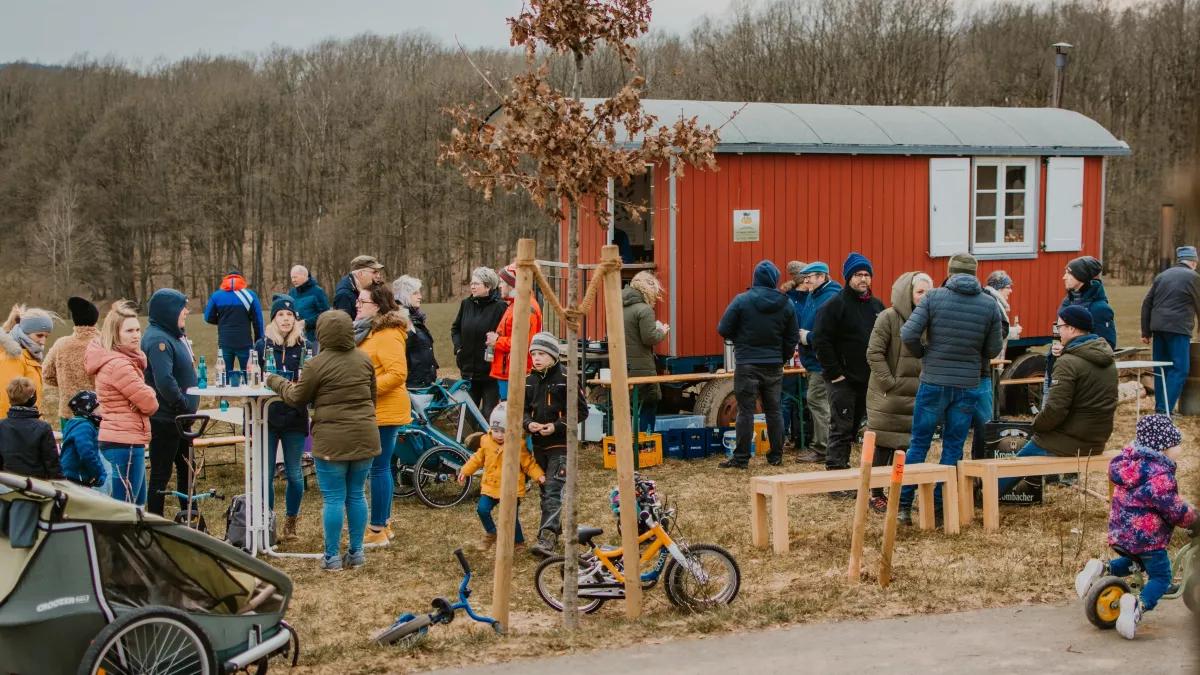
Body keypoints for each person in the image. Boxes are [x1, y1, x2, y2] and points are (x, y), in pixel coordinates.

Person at [267, 311, 380, 572]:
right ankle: (356, 552)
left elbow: (296, 397)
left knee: (333, 498)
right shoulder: (364, 360)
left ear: (322, 334)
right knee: (356, 494)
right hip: (365, 435)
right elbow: (372, 398)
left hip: (331, 441)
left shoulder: (316, 364)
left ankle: (331, 557)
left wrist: (275, 381)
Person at [899, 252, 1003, 525]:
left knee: (919, 444)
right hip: (967, 384)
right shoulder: (989, 304)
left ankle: (903, 507)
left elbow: (908, 333)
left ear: (950, 271)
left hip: (933, 381)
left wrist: (924, 353)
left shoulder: (934, 297)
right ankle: (939, 508)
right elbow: (993, 348)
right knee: (953, 447)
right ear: (975, 273)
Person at [1074, 415, 1198, 640]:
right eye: (1176, 444)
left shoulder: (1130, 465)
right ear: (1163, 447)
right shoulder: (1159, 476)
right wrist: (1193, 519)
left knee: (1135, 561)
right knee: (1161, 576)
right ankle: (1136, 606)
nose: (1179, 449)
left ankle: (1101, 568)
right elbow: (1173, 509)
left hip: (1121, 533)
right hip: (1147, 539)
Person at [997, 305, 1118, 496]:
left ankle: (986, 494)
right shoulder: (1108, 360)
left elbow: (1055, 410)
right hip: (1097, 439)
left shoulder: (1069, 362)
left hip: (1071, 440)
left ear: (1072, 329)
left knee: (1011, 465)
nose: (1057, 330)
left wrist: (1035, 425)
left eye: (1059, 326)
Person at [716, 261, 799, 469]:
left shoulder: (742, 301)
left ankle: (741, 458)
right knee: (774, 410)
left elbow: (723, 328)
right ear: (775, 279)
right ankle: (776, 456)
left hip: (747, 363)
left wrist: (741, 341)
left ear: (755, 278)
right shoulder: (786, 303)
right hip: (773, 364)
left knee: (745, 411)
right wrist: (782, 357)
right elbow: (792, 337)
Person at [813, 253, 885, 481]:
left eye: (866, 274)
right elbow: (821, 340)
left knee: (854, 428)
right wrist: (835, 374)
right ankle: (836, 476)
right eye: (858, 274)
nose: (863, 279)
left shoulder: (877, 306)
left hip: (867, 379)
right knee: (840, 428)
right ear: (848, 277)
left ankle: (847, 472)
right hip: (842, 380)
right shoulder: (835, 305)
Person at [865, 272, 931, 512]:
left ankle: (899, 492)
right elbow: (874, 353)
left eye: (928, 292)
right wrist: (889, 383)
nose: (924, 296)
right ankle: (875, 493)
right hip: (888, 396)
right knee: (883, 444)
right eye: (920, 292)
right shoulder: (888, 318)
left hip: (917, 396)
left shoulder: (930, 321)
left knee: (905, 448)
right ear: (908, 293)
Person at [354, 282, 412, 547]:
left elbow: (397, 374)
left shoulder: (387, 333)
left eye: (362, 301)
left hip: (384, 410)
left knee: (377, 469)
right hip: (374, 409)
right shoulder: (370, 331)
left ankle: (377, 529)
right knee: (381, 468)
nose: (357, 304)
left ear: (376, 306)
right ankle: (384, 523)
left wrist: (366, 390)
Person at [86, 300, 159, 505]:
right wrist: (145, 396)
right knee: (125, 508)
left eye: (137, 329)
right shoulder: (118, 364)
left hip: (127, 439)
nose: (136, 335)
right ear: (115, 334)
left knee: (136, 506)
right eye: (129, 331)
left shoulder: (122, 361)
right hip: (123, 442)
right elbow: (150, 403)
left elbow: (143, 400)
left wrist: (140, 399)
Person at [523, 331, 588, 557]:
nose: (537, 358)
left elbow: (581, 411)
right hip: (538, 445)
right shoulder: (529, 381)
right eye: (533, 354)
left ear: (553, 355)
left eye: (541, 353)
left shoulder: (566, 378)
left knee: (552, 490)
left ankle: (546, 538)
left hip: (561, 445)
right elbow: (521, 410)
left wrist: (557, 425)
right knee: (545, 491)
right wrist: (528, 423)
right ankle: (555, 527)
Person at [255, 295, 310, 541]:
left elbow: (308, 384)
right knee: (266, 473)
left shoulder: (306, 347)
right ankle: (268, 521)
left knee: (295, 474)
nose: (286, 319)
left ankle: (291, 522)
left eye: (290, 315)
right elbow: (254, 377)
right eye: (281, 315)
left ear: (296, 319)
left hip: (295, 419)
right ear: (273, 319)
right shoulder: (262, 346)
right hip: (267, 416)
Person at [142, 288, 200, 516]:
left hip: (180, 419)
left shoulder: (171, 335)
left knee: (187, 470)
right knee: (161, 473)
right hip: (166, 418)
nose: (186, 312)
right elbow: (164, 381)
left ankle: (190, 515)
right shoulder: (158, 340)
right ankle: (155, 520)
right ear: (168, 311)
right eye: (181, 308)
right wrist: (183, 405)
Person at [458, 402, 545, 551]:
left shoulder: (518, 445)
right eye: (496, 430)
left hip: (510, 488)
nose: (499, 434)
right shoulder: (486, 441)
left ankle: (518, 542)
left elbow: (528, 464)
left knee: (511, 518)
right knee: (482, 509)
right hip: (491, 485)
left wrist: (539, 476)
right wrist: (465, 471)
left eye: (503, 431)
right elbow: (477, 459)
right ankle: (491, 533)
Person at [1139, 245, 1200, 414]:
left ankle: (1161, 408)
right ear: (1194, 261)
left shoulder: (1162, 276)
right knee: (1180, 369)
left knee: (1161, 368)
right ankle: (1164, 411)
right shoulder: (1193, 277)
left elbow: (1147, 303)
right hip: (1178, 329)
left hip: (1158, 328)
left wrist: (1145, 331)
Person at [795, 262, 842, 464]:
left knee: (817, 401)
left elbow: (833, 333)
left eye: (810, 277)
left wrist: (809, 337)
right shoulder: (814, 295)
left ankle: (823, 448)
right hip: (813, 360)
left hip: (822, 361)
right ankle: (827, 445)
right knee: (821, 402)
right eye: (804, 277)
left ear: (822, 277)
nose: (806, 281)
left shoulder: (831, 297)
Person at [451, 267, 507, 418]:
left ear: (488, 286)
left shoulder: (500, 307)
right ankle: (468, 442)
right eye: (471, 283)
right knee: (468, 416)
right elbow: (456, 329)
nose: (472, 286)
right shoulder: (466, 304)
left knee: (489, 415)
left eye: (477, 283)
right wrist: (458, 348)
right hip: (468, 371)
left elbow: (504, 335)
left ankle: (488, 441)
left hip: (490, 373)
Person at [622, 271, 669, 434]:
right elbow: (649, 338)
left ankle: (629, 442)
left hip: (624, 365)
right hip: (642, 366)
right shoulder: (644, 310)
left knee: (629, 406)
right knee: (650, 401)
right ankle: (645, 442)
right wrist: (662, 330)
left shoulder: (620, 307)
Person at [43, 297, 100, 426]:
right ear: (95, 319)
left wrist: (65, 383)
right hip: (99, 412)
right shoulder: (104, 344)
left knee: (70, 446)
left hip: (68, 412)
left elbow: (47, 374)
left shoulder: (61, 345)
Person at [489, 264, 543, 400]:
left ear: (513, 285)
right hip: (508, 372)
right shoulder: (514, 304)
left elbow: (523, 343)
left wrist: (497, 341)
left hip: (517, 374)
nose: (500, 286)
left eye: (503, 282)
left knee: (513, 416)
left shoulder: (525, 307)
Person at [204, 269, 265, 373]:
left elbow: (208, 317)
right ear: (241, 280)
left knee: (224, 377)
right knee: (249, 376)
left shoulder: (216, 295)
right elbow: (258, 320)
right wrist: (259, 340)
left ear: (226, 280)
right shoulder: (250, 295)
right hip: (245, 343)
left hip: (224, 342)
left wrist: (222, 321)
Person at [0, 377, 60, 479]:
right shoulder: (43, 427)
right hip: (37, 486)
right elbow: (51, 463)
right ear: (32, 398)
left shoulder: (1, 425)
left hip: (8, 484)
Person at [0, 305, 54, 417]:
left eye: (46, 336)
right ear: (24, 332)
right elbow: (5, 400)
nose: (43, 341)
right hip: (16, 429)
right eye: (39, 335)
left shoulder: (30, 356)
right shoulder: (13, 357)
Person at [779, 261, 808, 448]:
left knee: (805, 397)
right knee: (788, 397)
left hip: (808, 351)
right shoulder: (789, 299)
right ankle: (782, 437)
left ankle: (802, 436)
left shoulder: (813, 297)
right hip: (792, 353)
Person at [59, 390, 109, 494]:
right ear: (90, 409)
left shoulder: (77, 423)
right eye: (100, 406)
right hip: (77, 477)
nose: (103, 409)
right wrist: (99, 473)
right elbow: (87, 452)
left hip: (74, 475)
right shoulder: (84, 427)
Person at [394, 275, 439, 388]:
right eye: (415, 293)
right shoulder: (399, 319)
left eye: (419, 292)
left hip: (424, 382)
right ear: (404, 295)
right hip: (412, 384)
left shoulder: (416, 317)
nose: (420, 296)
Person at [1061, 255, 1116, 349]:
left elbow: (1106, 347)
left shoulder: (1099, 309)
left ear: (1081, 277)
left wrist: (1068, 350)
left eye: (1068, 273)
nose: (1064, 277)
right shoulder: (1066, 302)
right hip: (1064, 361)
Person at [288, 264, 330, 348]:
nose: (293, 280)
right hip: (296, 338)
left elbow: (325, 314)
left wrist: (306, 322)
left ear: (304, 275)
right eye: (292, 278)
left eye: (295, 277)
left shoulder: (318, 292)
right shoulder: (291, 293)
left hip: (315, 338)